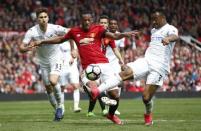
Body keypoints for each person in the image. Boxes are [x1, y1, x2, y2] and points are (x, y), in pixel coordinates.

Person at [29, 11, 137, 125]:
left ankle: (111, 114)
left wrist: (124, 34)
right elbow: (60, 39)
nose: (86, 22)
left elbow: (114, 36)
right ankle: (94, 91)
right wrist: (42, 41)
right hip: (89, 66)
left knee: (115, 95)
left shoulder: (98, 29)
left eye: (88, 20)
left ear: (92, 20)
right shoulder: (74, 31)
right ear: (81, 20)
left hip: (104, 64)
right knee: (93, 87)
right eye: (84, 20)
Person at [92, 10, 179, 126]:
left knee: (146, 98)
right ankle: (97, 91)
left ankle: (148, 114)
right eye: (152, 19)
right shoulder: (154, 30)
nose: (153, 21)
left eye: (155, 19)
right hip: (147, 60)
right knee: (124, 73)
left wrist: (168, 39)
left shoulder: (170, 28)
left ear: (162, 18)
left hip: (159, 67)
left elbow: (175, 36)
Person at [19, 7, 68, 121]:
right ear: (37, 19)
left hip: (56, 59)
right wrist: (28, 48)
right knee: (48, 87)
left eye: (45, 17)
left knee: (53, 81)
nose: (43, 19)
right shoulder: (32, 31)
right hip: (43, 62)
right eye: (41, 17)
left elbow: (70, 32)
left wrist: (73, 48)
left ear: (48, 18)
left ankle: (60, 105)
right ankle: (57, 109)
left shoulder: (55, 28)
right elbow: (21, 48)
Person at [86, 15, 123, 117]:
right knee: (92, 88)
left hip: (104, 65)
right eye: (101, 22)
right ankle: (94, 109)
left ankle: (109, 109)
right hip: (92, 63)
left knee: (112, 88)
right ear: (98, 23)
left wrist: (121, 60)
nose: (103, 24)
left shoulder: (109, 37)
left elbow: (115, 49)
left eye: (105, 23)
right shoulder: (93, 33)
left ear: (107, 25)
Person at [59, 39, 82, 113]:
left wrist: (73, 57)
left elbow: (77, 53)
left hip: (73, 67)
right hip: (62, 67)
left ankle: (76, 106)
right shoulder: (60, 43)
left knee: (76, 86)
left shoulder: (75, 42)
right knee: (62, 87)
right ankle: (61, 106)